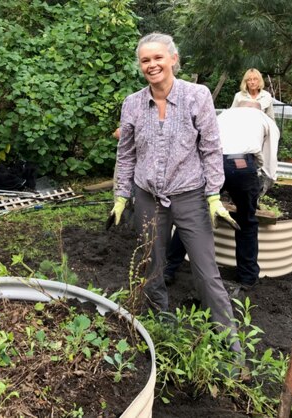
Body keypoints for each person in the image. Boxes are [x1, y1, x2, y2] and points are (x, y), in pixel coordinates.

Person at [110, 32, 240, 350]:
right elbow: (126, 154)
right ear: (140, 66)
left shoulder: (198, 96)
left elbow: (211, 148)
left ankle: (230, 345)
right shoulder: (133, 104)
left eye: (158, 58)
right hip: (147, 196)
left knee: (206, 271)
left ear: (173, 59)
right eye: (145, 60)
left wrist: (213, 194)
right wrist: (120, 195)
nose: (152, 65)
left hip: (191, 195)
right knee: (150, 265)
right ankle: (160, 325)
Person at [164, 101, 280, 289]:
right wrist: (264, 182)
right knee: (246, 221)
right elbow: (270, 158)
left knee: (193, 218)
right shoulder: (265, 119)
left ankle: (168, 269)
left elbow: (202, 142)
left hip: (213, 162)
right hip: (242, 164)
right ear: (258, 108)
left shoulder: (223, 115)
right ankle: (247, 277)